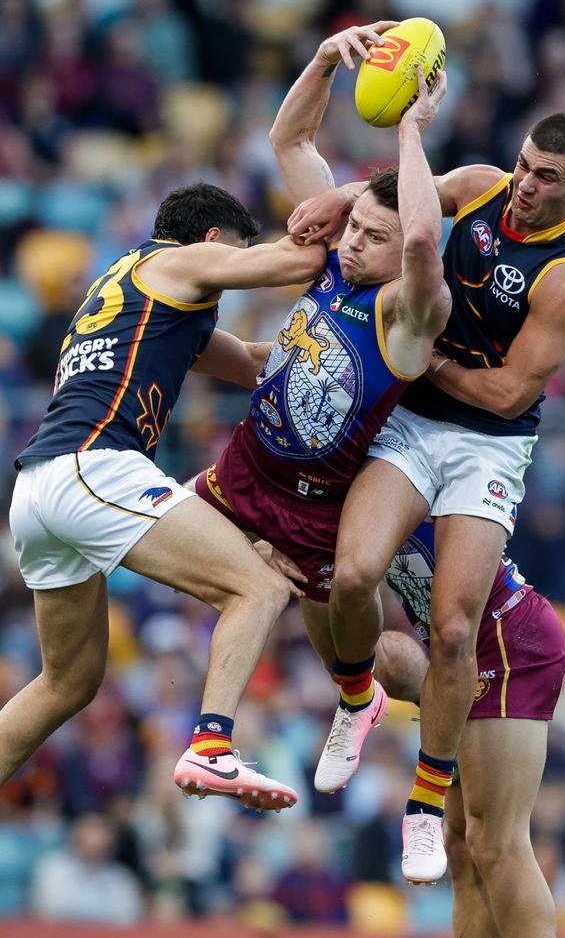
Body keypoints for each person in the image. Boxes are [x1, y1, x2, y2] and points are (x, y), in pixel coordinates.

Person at [293, 98, 565, 901]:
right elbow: (398, 200)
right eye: (525, 164)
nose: (524, 186)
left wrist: (416, 356)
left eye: (546, 179)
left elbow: (505, 394)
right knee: (352, 573)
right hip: (415, 419)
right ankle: (355, 697)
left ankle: (426, 798)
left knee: (456, 623)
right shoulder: (479, 185)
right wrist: (341, 198)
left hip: (485, 442)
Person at [4, 181, 326, 811]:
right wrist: (354, 208)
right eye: (234, 252)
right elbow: (298, 261)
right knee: (256, 588)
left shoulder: (137, 290)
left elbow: (258, 363)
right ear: (213, 241)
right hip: (94, 469)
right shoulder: (178, 260)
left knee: (67, 682)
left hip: (41, 485)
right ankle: (211, 745)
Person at [191, 27, 450, 693]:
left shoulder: (409, 312)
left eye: (372, 236)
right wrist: (324, 59)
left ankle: (385, 702)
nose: (352, 241)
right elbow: (291, 142)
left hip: (317, 509)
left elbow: (423, 236)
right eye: (354, 225)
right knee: (128, 535)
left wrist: (411, 132)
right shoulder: (340, 259)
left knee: (347, 665)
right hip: (247, 465)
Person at [379, 520, 565, 938]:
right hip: (451, 652)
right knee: (462, 849)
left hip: (503, 636)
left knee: (497, 841)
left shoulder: (386, 467)